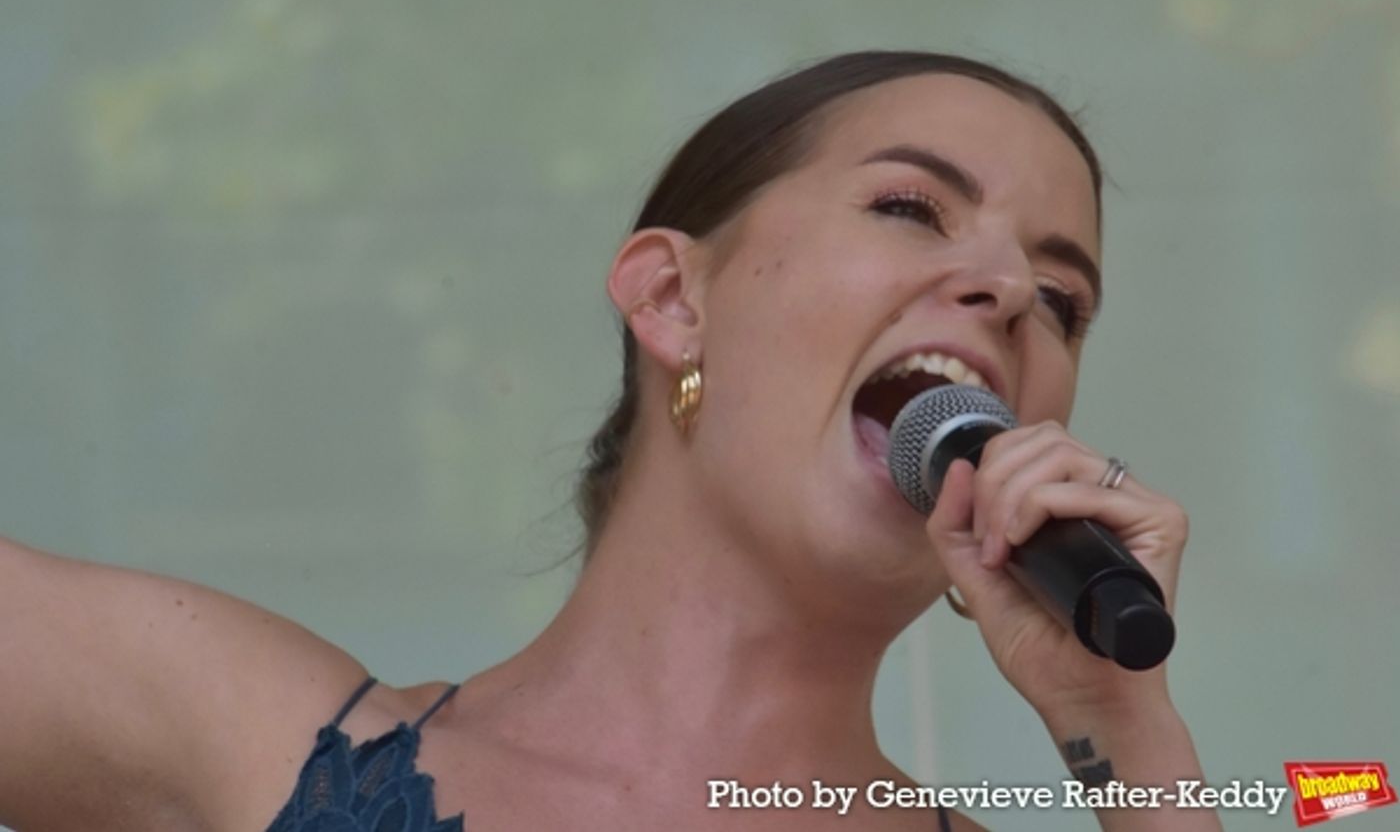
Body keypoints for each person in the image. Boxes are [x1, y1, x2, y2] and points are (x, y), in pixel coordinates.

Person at [0, 50, 1219, 831]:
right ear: (671, 300)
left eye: (1061, 301)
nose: (1006, 290)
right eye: (909, 208)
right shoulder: (256, 739)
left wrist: (1122, 731)